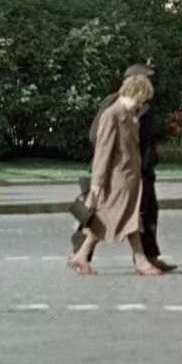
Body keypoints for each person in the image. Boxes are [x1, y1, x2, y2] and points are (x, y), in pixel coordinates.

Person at [69, 73, 162, 276]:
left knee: (117, 220)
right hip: (117, 180)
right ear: (135, 92)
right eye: (142, 98)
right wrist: (97, 184)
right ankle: (140, 261)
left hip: (127, 179)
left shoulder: (128, 116)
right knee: (124, 220)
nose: (142, 103)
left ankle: (81, 256)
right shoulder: (112, 115)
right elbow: (103, 152)